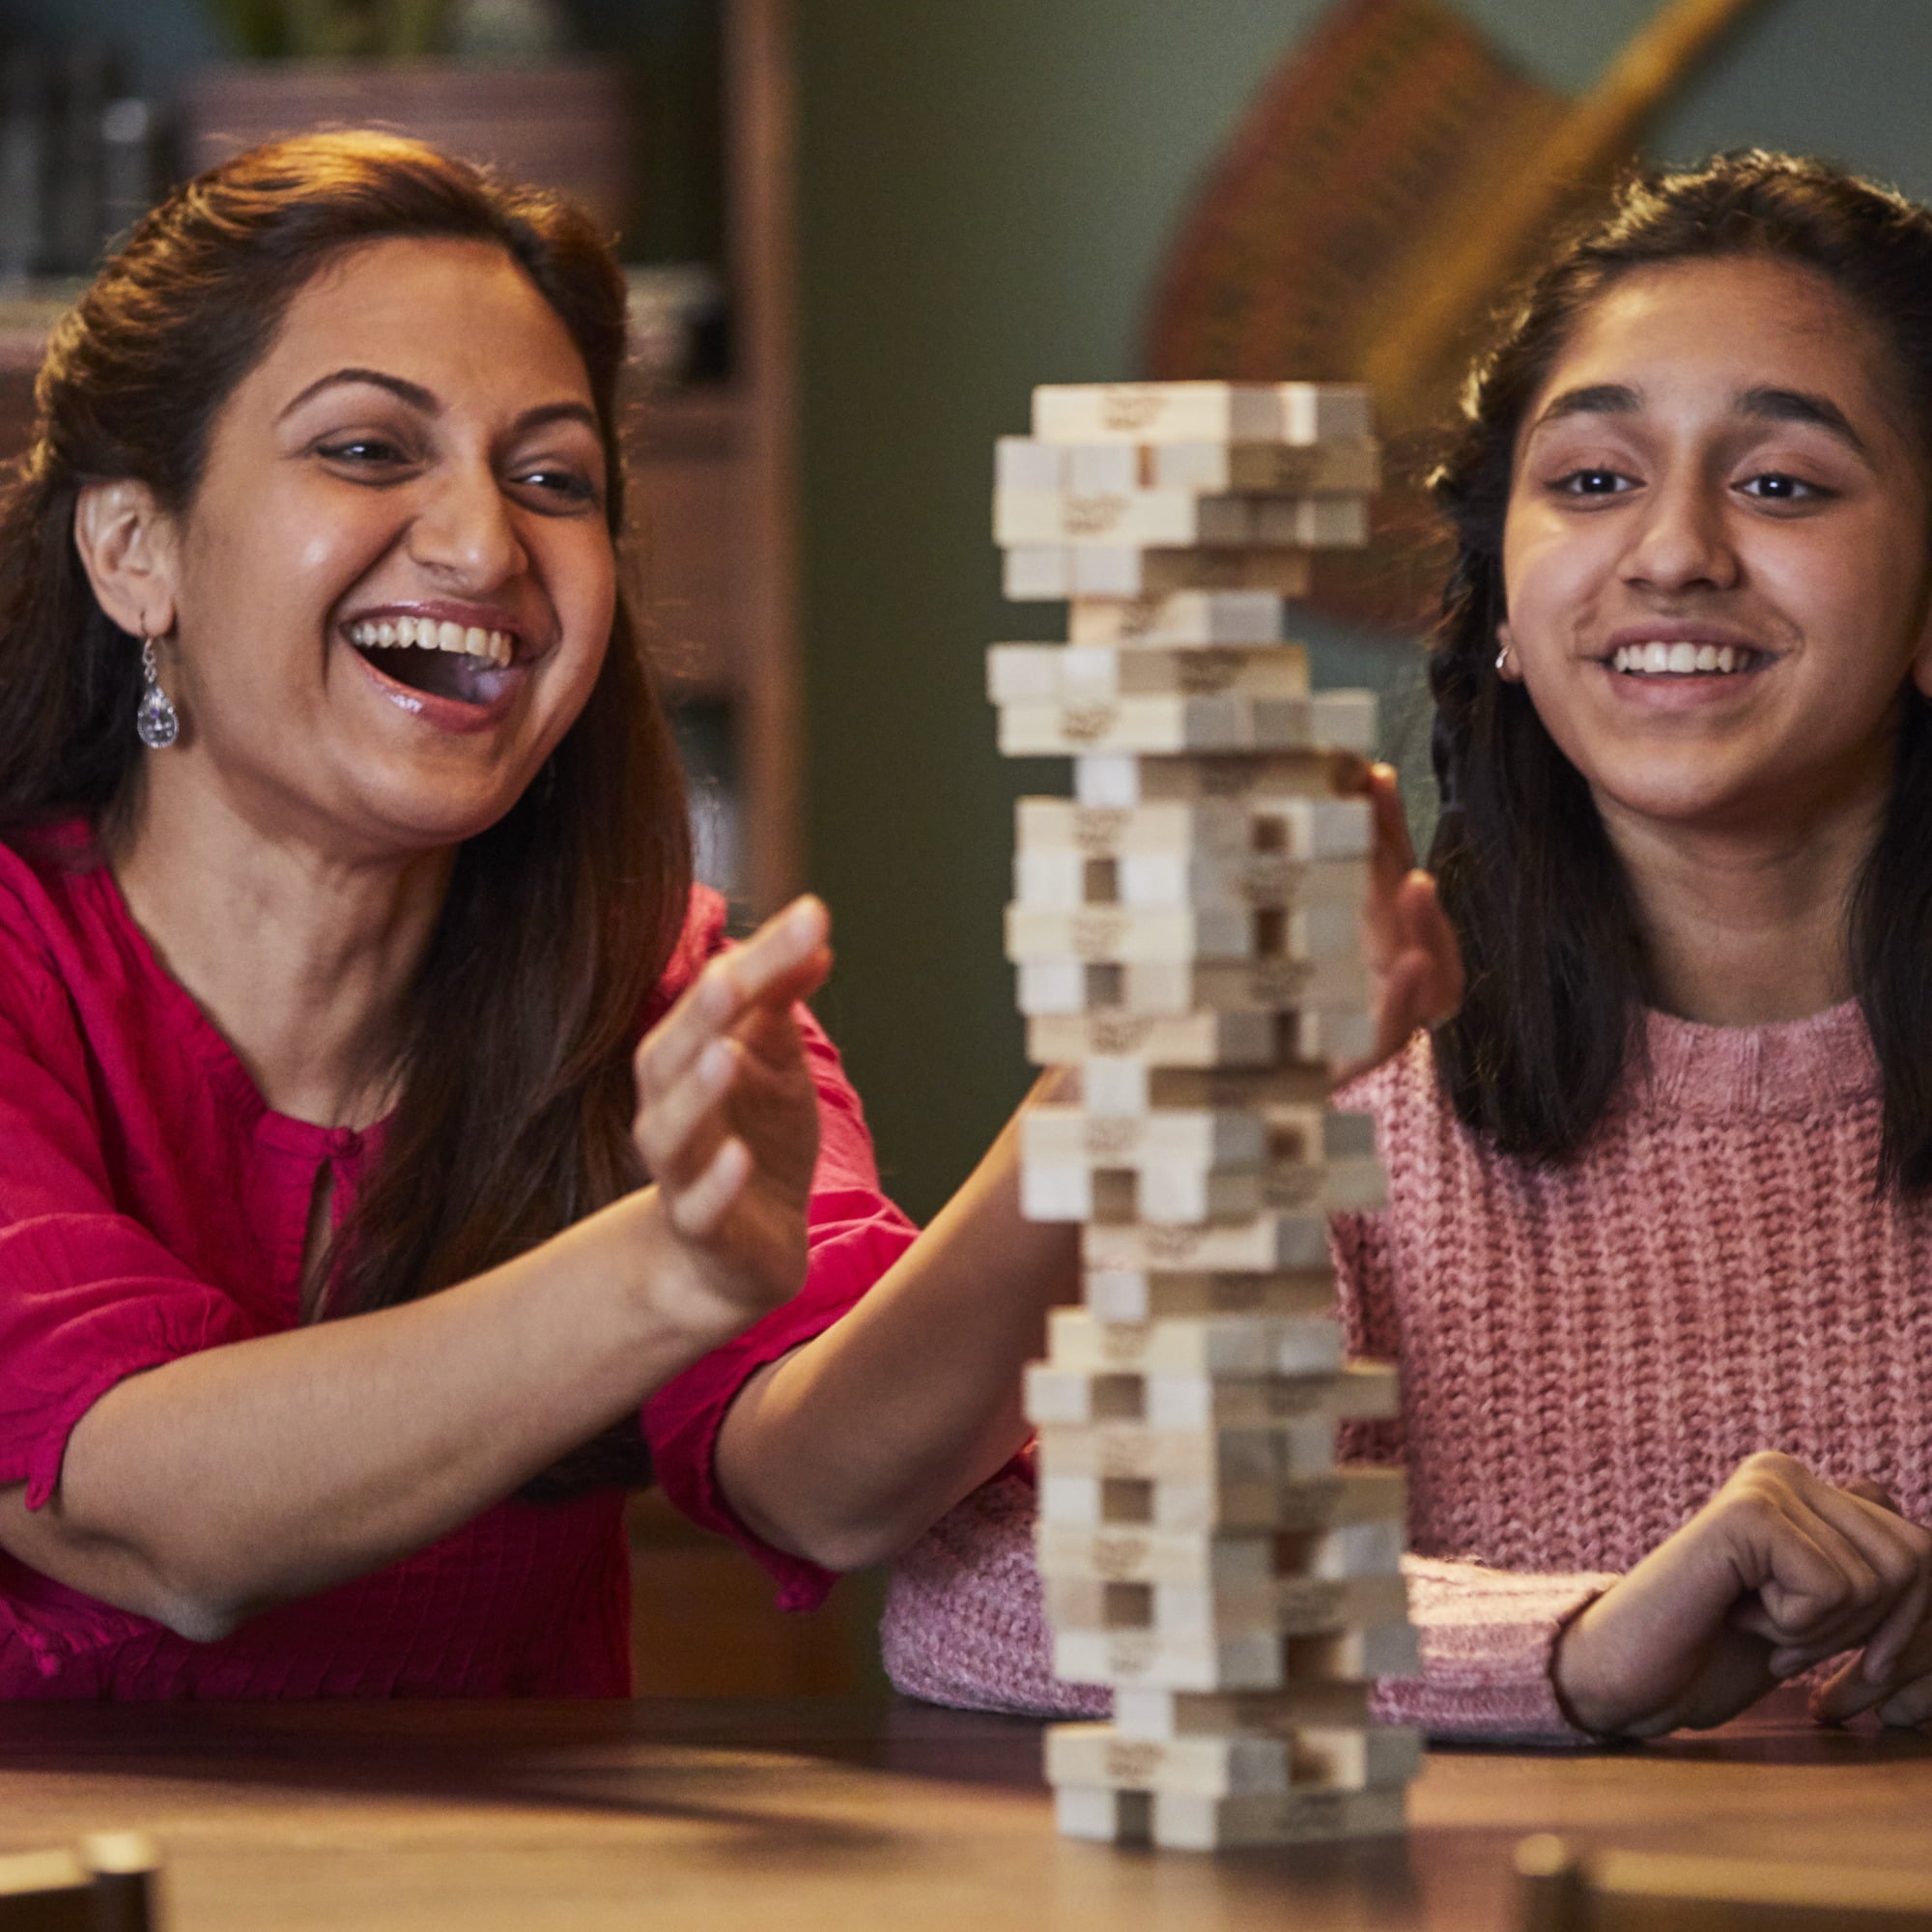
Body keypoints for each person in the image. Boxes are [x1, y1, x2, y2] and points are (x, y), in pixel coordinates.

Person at [0, 128, 1458, 1699]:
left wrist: (1119, 1105)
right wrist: (662, 1275)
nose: (486, 543)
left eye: (552, 477)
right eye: (367, 450)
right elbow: (155, 1524)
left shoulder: (649, 979)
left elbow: (824, 1477)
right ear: (131, 547)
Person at [880, 150, 1932, 1743]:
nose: (1673, 552)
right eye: (1590, 481)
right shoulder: (1349, 1096)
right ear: (1505, 604)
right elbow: (1003, 1584)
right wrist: (1576, 1647)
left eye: (1782, 483)